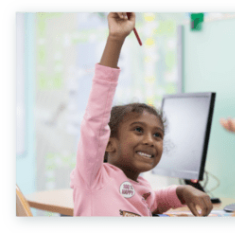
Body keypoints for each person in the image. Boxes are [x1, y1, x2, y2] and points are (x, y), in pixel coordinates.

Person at [70, 12, 213, 217]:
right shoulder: (94, 178)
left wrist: (182, 191)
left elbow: (154, 201)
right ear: (109, 142)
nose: (150, 141)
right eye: (138, 130)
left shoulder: (140, 187)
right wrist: (116, 39)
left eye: (158, 135)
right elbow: (95, 117)